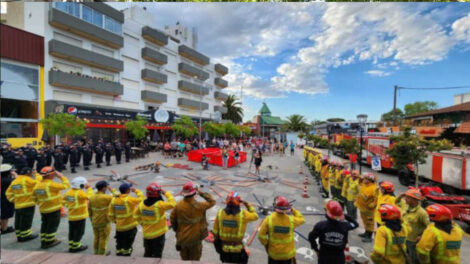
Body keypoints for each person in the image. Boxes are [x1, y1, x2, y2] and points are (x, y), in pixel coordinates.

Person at [170, 181, 216, 261]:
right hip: (195, 239)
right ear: (194, 192)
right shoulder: (200, 206)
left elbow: (172, 220)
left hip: (182, 238)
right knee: (195, 260)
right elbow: (212, 201)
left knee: (184, 259)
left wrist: (178, 231)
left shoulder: (178, 206)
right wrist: (200, 192)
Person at [213, 192, 259, 264]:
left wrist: (219, 246)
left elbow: (215, 232)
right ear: (238, 202)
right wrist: (247, 205)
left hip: (224, 248)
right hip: (238, 250)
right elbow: (255, 216)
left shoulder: (220, 213)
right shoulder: (243, 214)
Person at [308, 200, 359, 264]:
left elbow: (311, 237)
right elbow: (355, 224)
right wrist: (345, 216)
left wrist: (316, 249)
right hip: (339, 256)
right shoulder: (345, 226)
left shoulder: (320, 225)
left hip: (324, 256)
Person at [258, 196, 305, 264]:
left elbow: (261, 236)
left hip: (274, 255)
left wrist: (266, 245)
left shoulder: (269, 219)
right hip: (288, 256)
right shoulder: (292, 220)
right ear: (287, 209)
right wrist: (293, 210)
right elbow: (302, 219)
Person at [135, 183, 176, 258]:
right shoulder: (159, 205)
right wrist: (166, 193)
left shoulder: (141, 204)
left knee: (148, 253)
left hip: (147, 234)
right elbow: (173, 204)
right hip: (158, 235)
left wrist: (142, 223)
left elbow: (136, 215)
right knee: (157, 255)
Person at [33, 166, 70, 248]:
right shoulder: (52, 185)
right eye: (53, 174)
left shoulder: (37, 185)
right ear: (50, 175)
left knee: (45, 224)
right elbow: (66, 185)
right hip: (54, 209)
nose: (54, 175)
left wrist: (41, 203)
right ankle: (49, 241)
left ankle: (44, 240)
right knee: (52, 226)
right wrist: (61, 176)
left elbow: (34, 198)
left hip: (43, 209)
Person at [108, 182, 144, 256]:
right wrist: (137, 191)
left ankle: (119, 253)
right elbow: (142, 199)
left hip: (119, 228)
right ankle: (126, 256)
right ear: (128, 190)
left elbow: (110, 214)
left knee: (119, 243)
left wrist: (115, 221)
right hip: (130, 227)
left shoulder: (114, 200)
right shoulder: (129, 199)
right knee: (128, 243)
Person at [6, 166, 41, 241]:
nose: (32, 173)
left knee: (18, 220)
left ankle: (19, 235)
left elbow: (8, 193)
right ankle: (26, 235)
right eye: (31, 172)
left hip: (18, 205)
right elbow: (39, 183)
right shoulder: (28, 180)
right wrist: (37, 174)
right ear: (28, 173)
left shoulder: (15, 181)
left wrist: (13, 200)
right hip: (28, 204)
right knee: (26, 220)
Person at [396, 188, 429, 264]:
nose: (405, 199)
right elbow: (396, 202)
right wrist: (400, 196)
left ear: (414, 200)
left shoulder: (422, 213)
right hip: (403, 238)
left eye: (408, 197)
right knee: (404, 257)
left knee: (414, 260)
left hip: (413, 242)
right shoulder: (405, 205)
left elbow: (430, 227)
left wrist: (422, 236)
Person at [63, 177, 93, 252]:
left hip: (71, 216)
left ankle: (71, 245)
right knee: (79, 232)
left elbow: (63, 200)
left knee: (72, 231)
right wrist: (89, 188)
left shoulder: (69, 192)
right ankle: (76, 246)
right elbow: (90, 196)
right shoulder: (80, 193)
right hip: (80, 216)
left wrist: (68, 206)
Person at [89, 181, 118, 255]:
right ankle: (102, 253)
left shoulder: (92, 197)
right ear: (103, 188)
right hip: (104, 222)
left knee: (96, 237)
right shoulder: (106, 197)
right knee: (103, 238)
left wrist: (91, 219)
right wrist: (112, 190)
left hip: (94, 221)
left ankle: (96, 252)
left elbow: (89, 210)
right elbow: (117, 197)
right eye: (106, 187)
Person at [355, 172, 378, 242]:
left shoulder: (374, 188)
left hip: (369, 209)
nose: (363, 180)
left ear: (369, 180)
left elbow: (376, 199)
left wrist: (372, 205)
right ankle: (366, 233)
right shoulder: (365, 185)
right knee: (365, 221)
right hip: (363, 208)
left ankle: (369, 237)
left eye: (365, 179)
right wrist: (360, 178)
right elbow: (360, 183)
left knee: (370, 223)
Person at [1, 164, 16, 235]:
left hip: (2, 198)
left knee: (2, 214)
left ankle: (3, 226)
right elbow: (18, 181)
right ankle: (4, 229)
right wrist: (14, 174)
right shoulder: (9, 180)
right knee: (5, 214)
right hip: (6, 199)